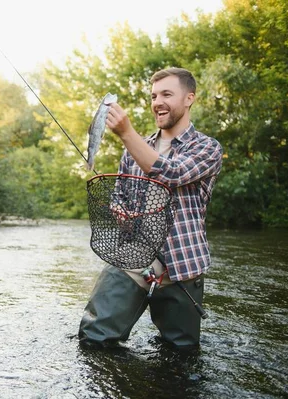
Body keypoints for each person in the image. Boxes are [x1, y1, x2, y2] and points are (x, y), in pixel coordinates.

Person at [78, 67, 223, 348]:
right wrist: (120, 210)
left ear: (189, 98)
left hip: (182, 263)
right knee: (93, 339)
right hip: (132, 256)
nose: (158, 102)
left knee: (180, 353)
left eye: (167, 94)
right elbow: (119, 194)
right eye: (154, 95)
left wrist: (125, 132)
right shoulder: (134, 148)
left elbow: (169, 173)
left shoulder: (207, 148)